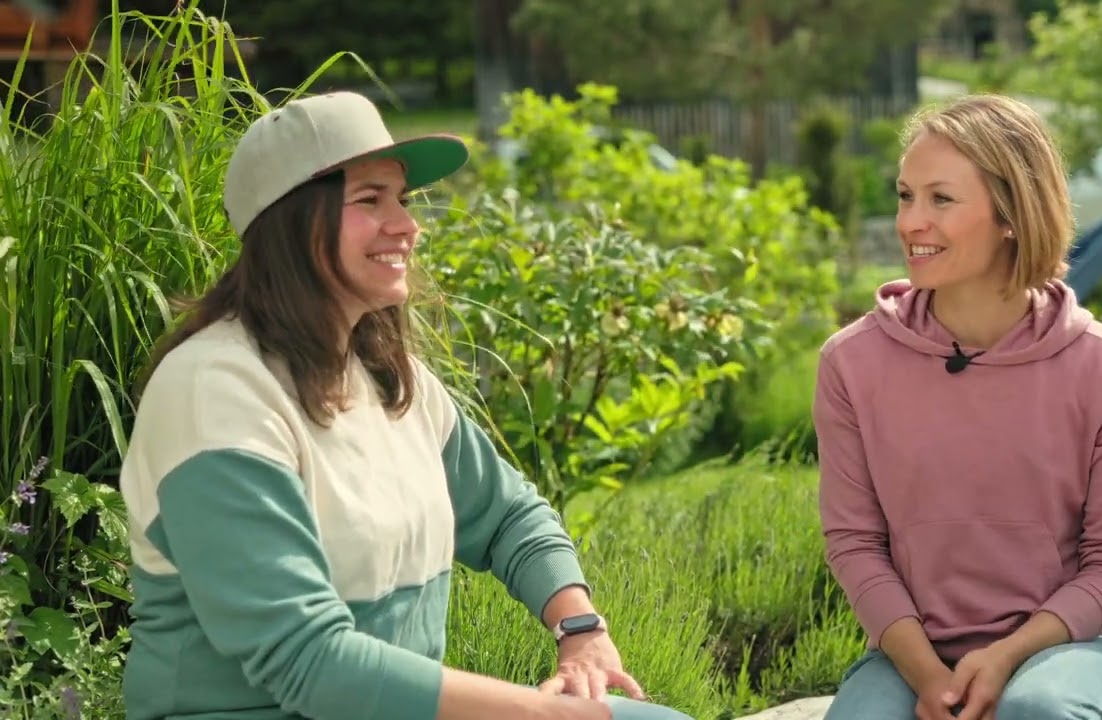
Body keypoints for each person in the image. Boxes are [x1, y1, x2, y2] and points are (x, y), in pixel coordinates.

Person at [118, 90, 694, 720]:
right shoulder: (215, 392)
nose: (407, 225)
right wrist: (547, 713)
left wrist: (579, 627)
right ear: (289, 222)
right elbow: (309, 662)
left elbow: (509, 518)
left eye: (403, 199)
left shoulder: (389, 378)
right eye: (370, 200)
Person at [813, 93, 1102, 720]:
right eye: (904, 195)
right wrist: (926, 676)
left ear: (1011, 214)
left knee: (1038, 712)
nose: (911, 221)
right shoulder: (851, 363)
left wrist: (1005, 658)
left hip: (1065, 651)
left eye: (940, 199)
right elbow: (854, 542)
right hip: (910, 652)